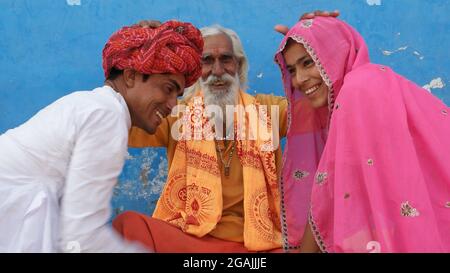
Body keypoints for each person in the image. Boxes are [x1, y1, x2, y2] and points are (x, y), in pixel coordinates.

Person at [0, 20, 203, 252]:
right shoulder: (107, 116)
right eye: (168, 89)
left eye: (178, 95)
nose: (172, 106)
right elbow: (82, 239)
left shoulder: (95, 106)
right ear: (130, 76)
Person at [275, 17, 450, 252]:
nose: (299, 80)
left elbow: (330, 187)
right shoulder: (360, 86)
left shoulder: (359, 89)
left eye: (308, 62)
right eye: (292, 70)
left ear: (334, 54)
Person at [113, 24, 290, 253]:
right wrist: (139, 53)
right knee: (129, 226)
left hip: (256, 245)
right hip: (190, 241)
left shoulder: (268, 110)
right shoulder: (176, 114)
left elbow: (322, 110)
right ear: (195, 72)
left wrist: (315, 41)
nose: (217, 71)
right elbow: (120, 120)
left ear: (239, 66)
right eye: (207, 61)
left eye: (226, 59)